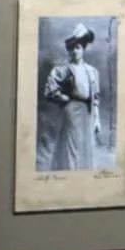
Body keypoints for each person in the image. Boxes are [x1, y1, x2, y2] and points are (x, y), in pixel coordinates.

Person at [41, 23, 102, 171]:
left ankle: (83, 177)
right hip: (71, 113)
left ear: (83, 49)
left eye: (78, 48)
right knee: (71, 147)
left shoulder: (92, 72)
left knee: (85, 147)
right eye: (72, 48)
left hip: (87, 114)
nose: (75, 51)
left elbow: (95, 98)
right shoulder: (64, 70)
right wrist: (62, 97)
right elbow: (50, 89)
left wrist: (97, 119)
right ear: (69, 50)